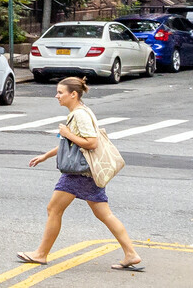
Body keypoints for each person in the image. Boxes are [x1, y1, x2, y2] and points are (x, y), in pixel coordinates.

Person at [20, 75, 141, 271]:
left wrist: (67, 134)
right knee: (105, 214)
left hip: (79, 173)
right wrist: (46, 155)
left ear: (73, 94)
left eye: (60, 92)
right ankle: (131, 253)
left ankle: (41, 254)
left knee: (54, 209)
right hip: (88, 173)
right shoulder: (81, 112)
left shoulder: (80, 115)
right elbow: (71, 144)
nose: (57, 96)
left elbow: (91, 143)